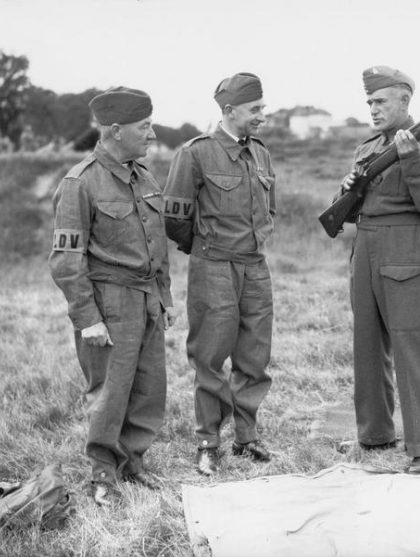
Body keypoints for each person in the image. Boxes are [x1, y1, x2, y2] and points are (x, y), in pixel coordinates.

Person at [49, 86, 176, 504]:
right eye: (145, 127)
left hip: (147, 300)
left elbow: (158, 245)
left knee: (147, 389)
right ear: (117, 130)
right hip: (109, 303)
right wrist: (88, 319)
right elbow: (67, 261)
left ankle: (133, 462)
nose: (152, 134)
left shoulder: (145, 178)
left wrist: (164, 298)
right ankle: (103, 473)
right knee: (109, 392)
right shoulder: (79, 183)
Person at [336, 66, 420, 474]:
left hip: (406, 247)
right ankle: (374, 435)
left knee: (412, 346)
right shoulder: (367, 147)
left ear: (405, 101)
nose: (372, 108)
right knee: (367, 347)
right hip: (366, 247)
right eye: (369, 101)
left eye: (380, 101)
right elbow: (352, 211)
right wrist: (349, 188)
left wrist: (413, 160)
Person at [163, 72, 276, 476]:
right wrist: (207, 248)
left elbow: (269, 208)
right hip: (213, 265)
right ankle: (208, 441)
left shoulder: (261, 154)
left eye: (262, 107)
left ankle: (246, 438)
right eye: (254, 109)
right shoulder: (194, 154)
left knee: (254, 355)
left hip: (255, 266)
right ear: (229, 111)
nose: (262, 115)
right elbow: (175, 218)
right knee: (210, 357)